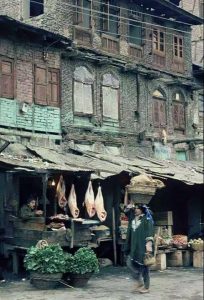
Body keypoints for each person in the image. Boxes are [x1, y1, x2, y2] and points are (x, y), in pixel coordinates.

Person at [124, 203, 154, 294]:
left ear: (142, 209)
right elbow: (126, 211)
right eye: (135, 208)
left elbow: (150, 232)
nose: (136, 210)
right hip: (134, 247)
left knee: (144, 267)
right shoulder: (132, 219)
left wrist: (148, 246)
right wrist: (130, 206)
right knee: (129, 263)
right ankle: (139, 281)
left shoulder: (146, 219)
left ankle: (147, 287)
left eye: (138, 208)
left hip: (142, 246)